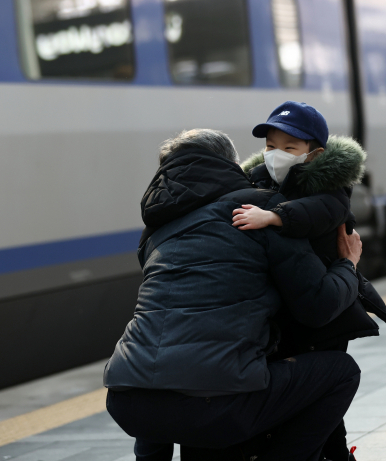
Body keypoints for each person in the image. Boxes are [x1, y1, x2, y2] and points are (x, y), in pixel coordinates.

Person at [103, 128, 364, 461]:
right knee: (341, 372)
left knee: (160, 381)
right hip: (213, 405)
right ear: (230, 164)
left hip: (126, 401)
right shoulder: (258, 210)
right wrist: (348, 266)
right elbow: (319, 305)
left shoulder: (154, 231)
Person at [233, 101, 386, 461]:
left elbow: (322, 211)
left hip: (327, 316)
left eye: (290, 148)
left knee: (320, 400)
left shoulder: (330, 187)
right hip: (292, 313)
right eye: (271, 147)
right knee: (316, 405)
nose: (276, 156)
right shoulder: (259, 179)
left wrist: (275, 218)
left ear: (313, 153)